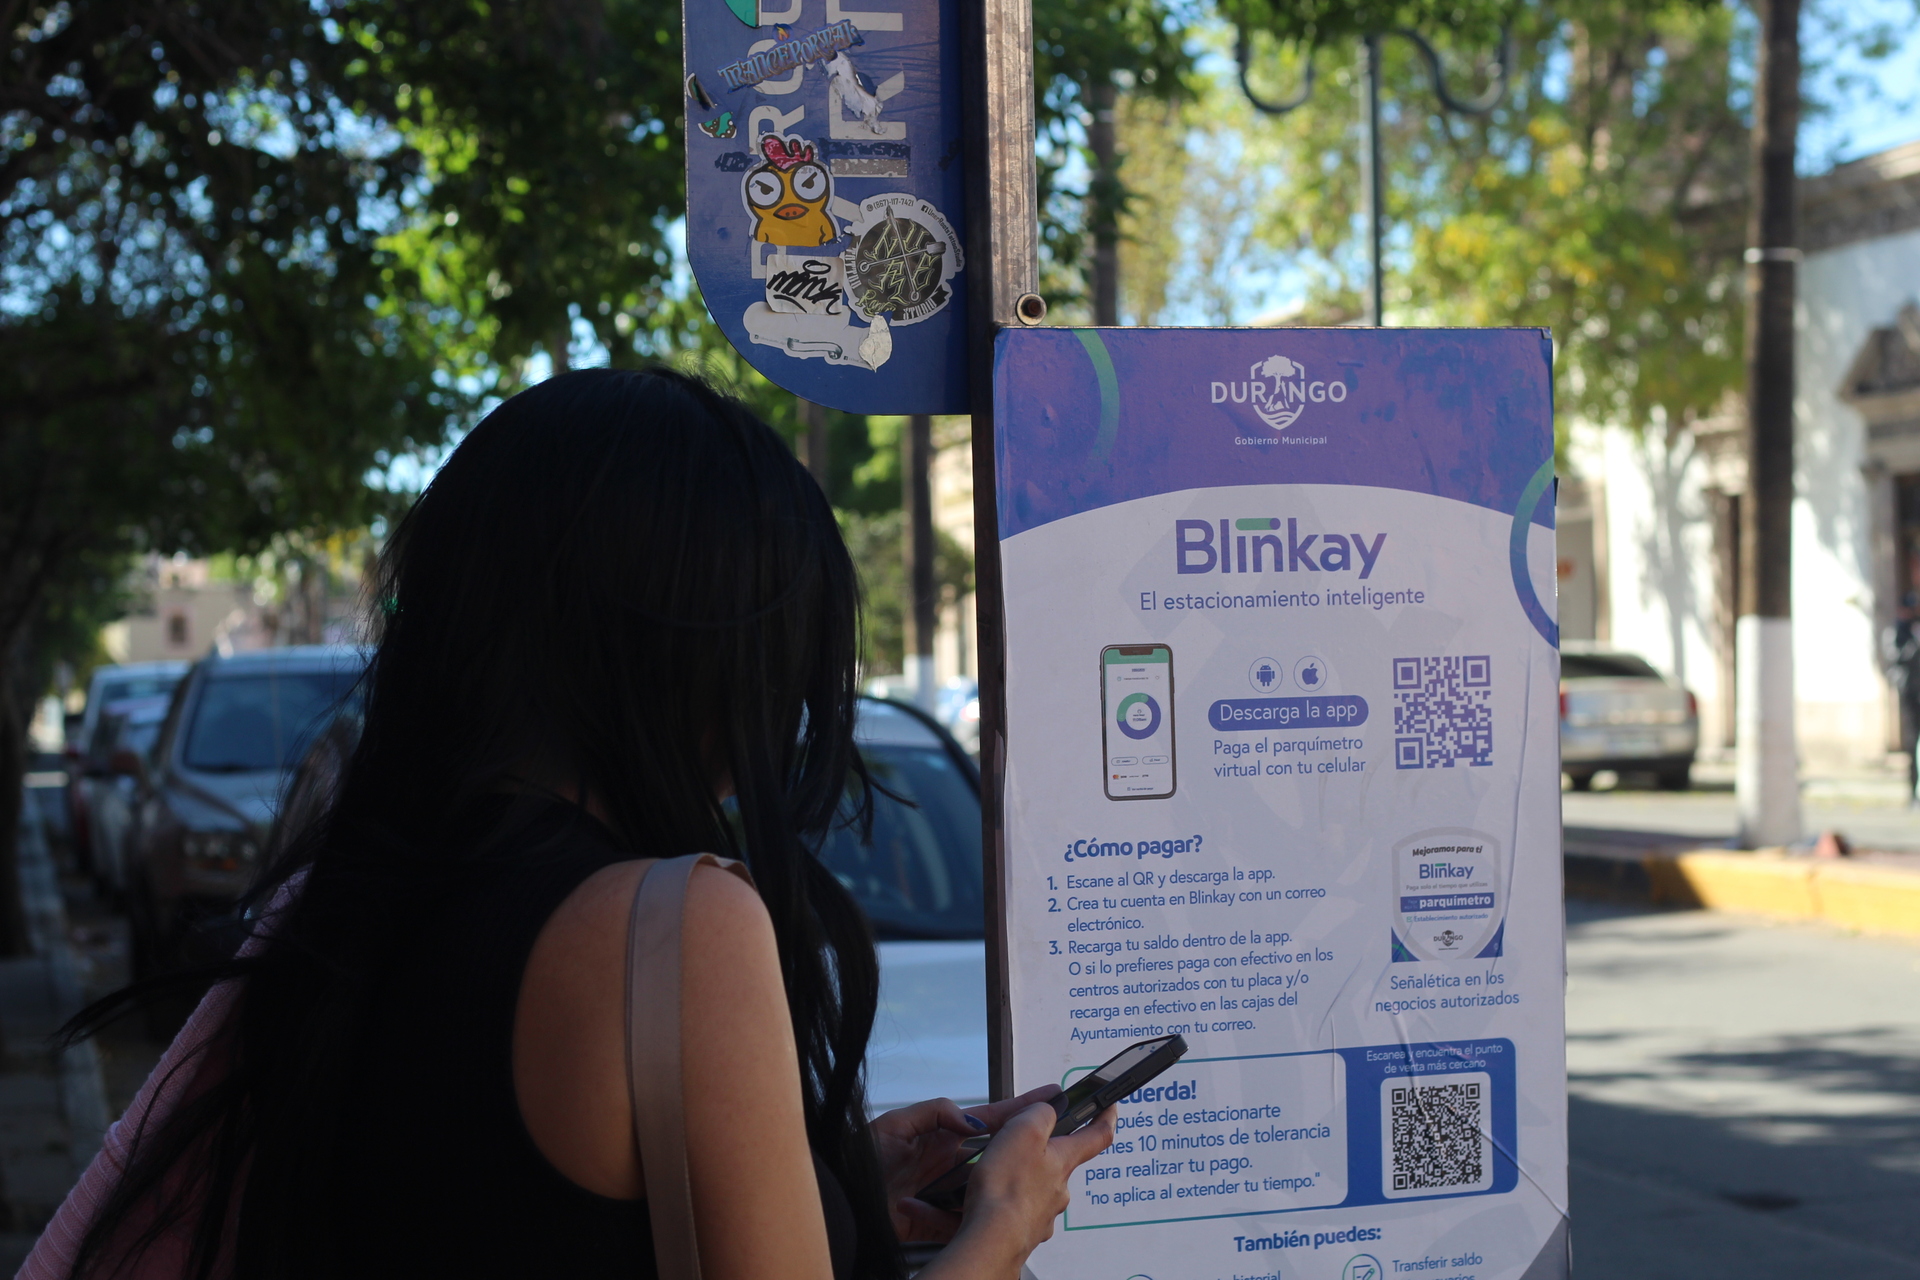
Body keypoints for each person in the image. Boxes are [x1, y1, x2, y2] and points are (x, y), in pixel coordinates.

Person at [47, 369, 1112, 1279]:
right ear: (699, 651)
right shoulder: (675, 926)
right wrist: (1001, 1230)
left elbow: (508, 1214)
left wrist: (830, 1190)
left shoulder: (353, 900)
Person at [1885, 592, 1920, 805]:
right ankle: (1913, 790)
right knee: (1912, 740)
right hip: (1909, 693)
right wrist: (1913, 647)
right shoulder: (1897, 631)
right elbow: (1894, 657)